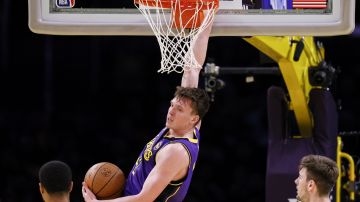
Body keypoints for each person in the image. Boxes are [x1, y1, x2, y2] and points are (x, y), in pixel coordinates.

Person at [82, 18, 213, 202]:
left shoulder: (175, 152)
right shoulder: (188, 127)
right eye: (171, 105)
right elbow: (192, 68)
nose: (171, 111)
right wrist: (207, 21)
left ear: (194, 119)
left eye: (179, 109)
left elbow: (144, 199)